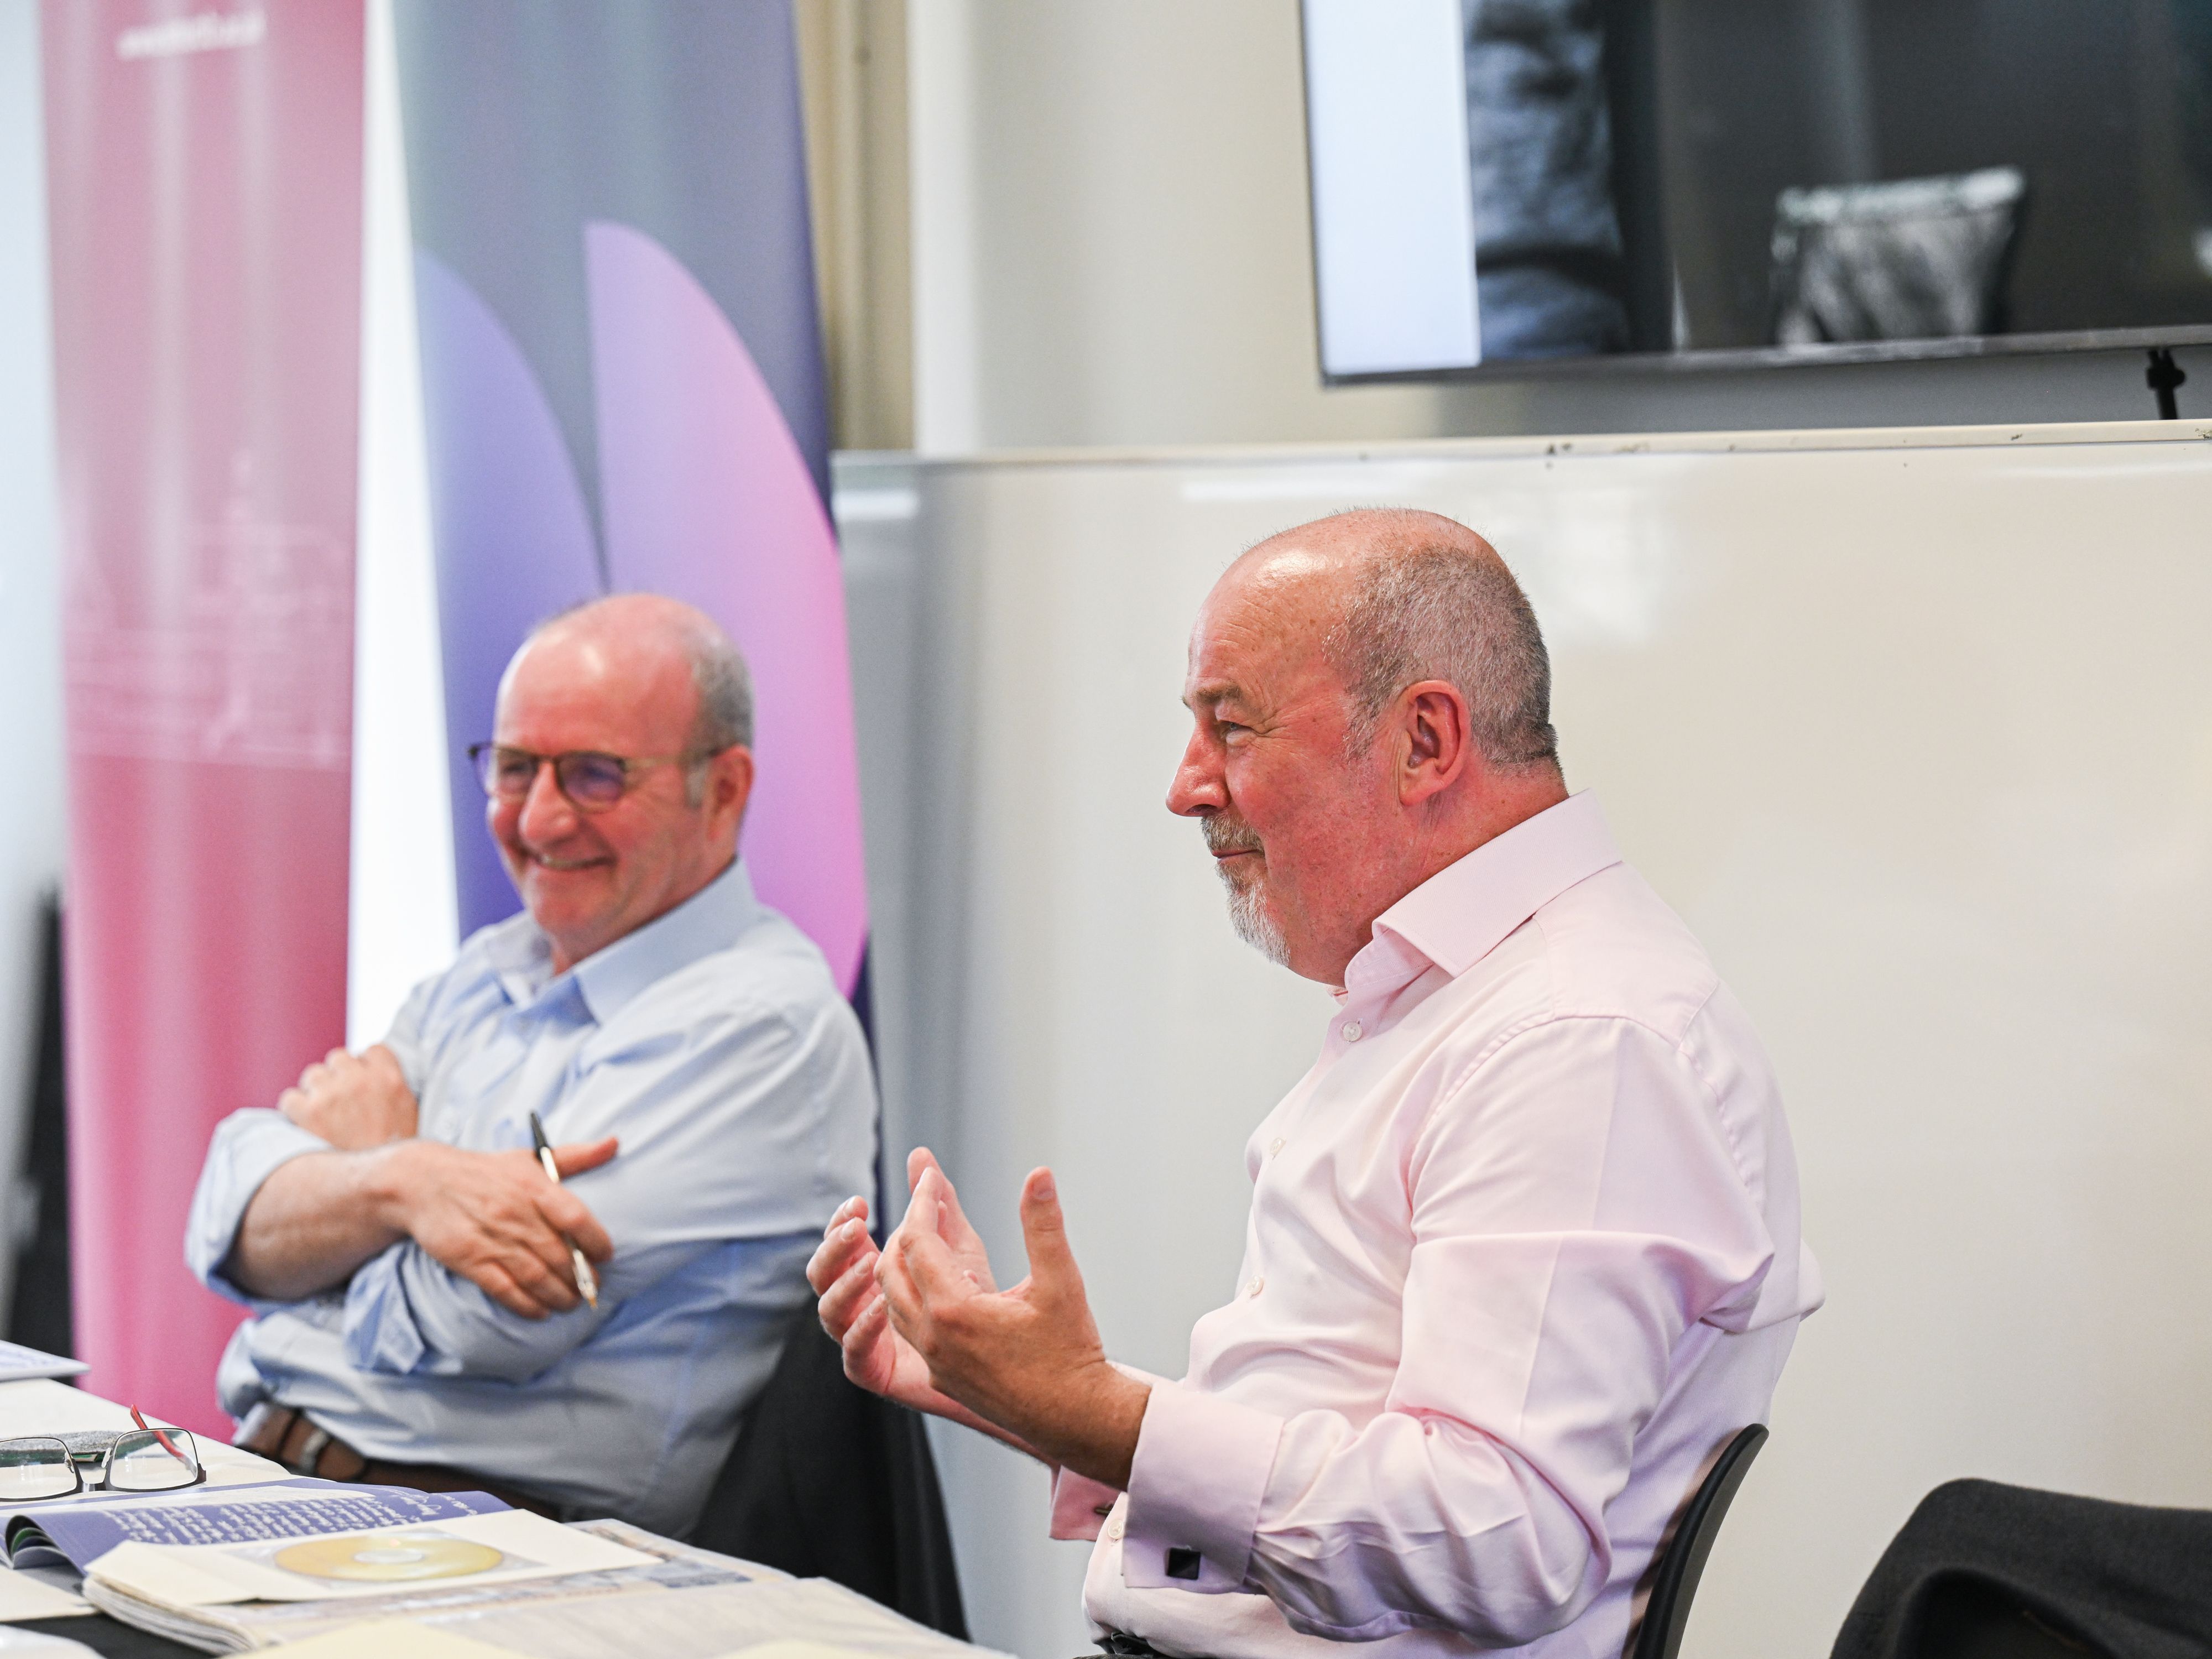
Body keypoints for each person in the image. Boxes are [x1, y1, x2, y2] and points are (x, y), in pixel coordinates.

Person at [808, 510, 1822, 1658]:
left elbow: (1495, 1537)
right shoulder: (1459, 1000)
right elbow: (1342, 1453)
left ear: (1424, 742)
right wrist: (1016, 1390)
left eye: (1226, 728)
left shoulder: (1575, 1038)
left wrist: (1095, 1409)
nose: (1186, 787)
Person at [186, 594, 876, 1535]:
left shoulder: (756, 1027)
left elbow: (479, 1324)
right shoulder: (489, 968)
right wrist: (405, 1179)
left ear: (721, 788)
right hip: (267, 1480)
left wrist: (341, 1198)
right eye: (515, 769)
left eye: (596, 775)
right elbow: (227, 1228)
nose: (541, 819)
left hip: (487, 1547)